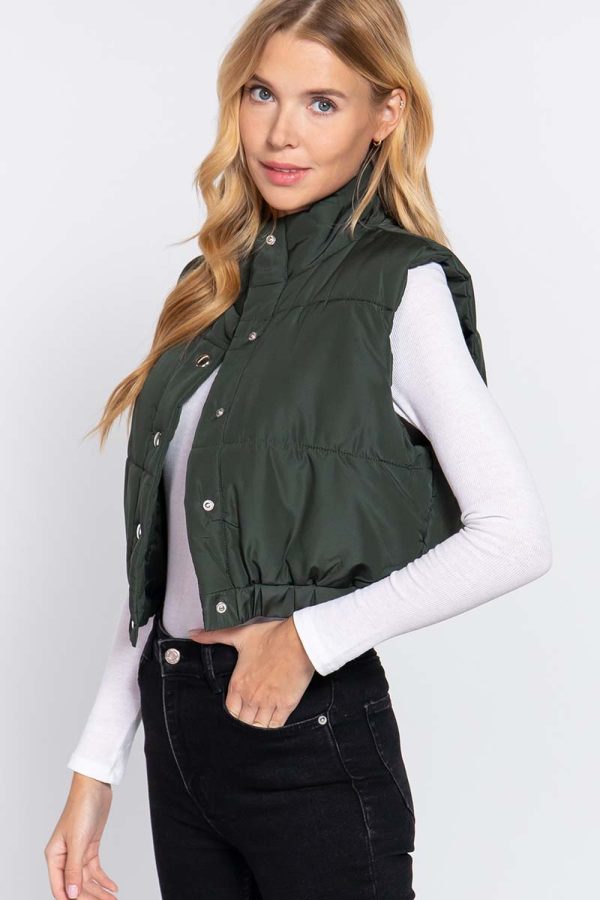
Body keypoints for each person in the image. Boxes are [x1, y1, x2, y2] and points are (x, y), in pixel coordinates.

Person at [44, 1, 553, 898]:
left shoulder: (398, 286)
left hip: (307, 744)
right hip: (178, 736)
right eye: (261, 94)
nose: (281, 133)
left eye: (323, 103)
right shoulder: (207, 289)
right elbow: (161, 559)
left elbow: (515, 535)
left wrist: (310, 640)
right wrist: (96, 767)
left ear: (384, 114)